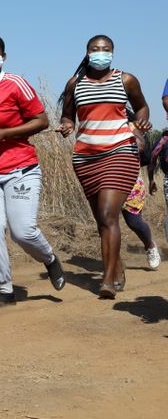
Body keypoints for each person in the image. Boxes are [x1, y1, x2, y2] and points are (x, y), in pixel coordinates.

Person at [0, 34, 65, 308]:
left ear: (3, 56)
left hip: (20, 168)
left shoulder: (15, 84)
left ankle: (49, 258)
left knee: (22, 232)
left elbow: (42, 120)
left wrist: (6, 133)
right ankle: (5, 291)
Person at [57, 35, 151, 299]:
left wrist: (141, 122)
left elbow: (141, 107)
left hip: (120, 151)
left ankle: (107, 280)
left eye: (106, 49)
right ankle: (117, 267)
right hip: (85, 158)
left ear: (113, 53)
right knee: (102, 219)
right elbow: (67, 114)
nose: (101, 53)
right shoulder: (75, 84)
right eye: (95, 49)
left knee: (109, 214)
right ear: (87, 53)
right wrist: (67, 125)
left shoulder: (126, 80)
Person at [121, 112, 160, 269]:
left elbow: (146, 154)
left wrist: (151, 180)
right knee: (105, 220)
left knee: (134, 222)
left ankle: (150, 246)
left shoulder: (131, 127)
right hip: (105, 181)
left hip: (130, 182)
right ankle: (112, 262)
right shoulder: (95, 126)